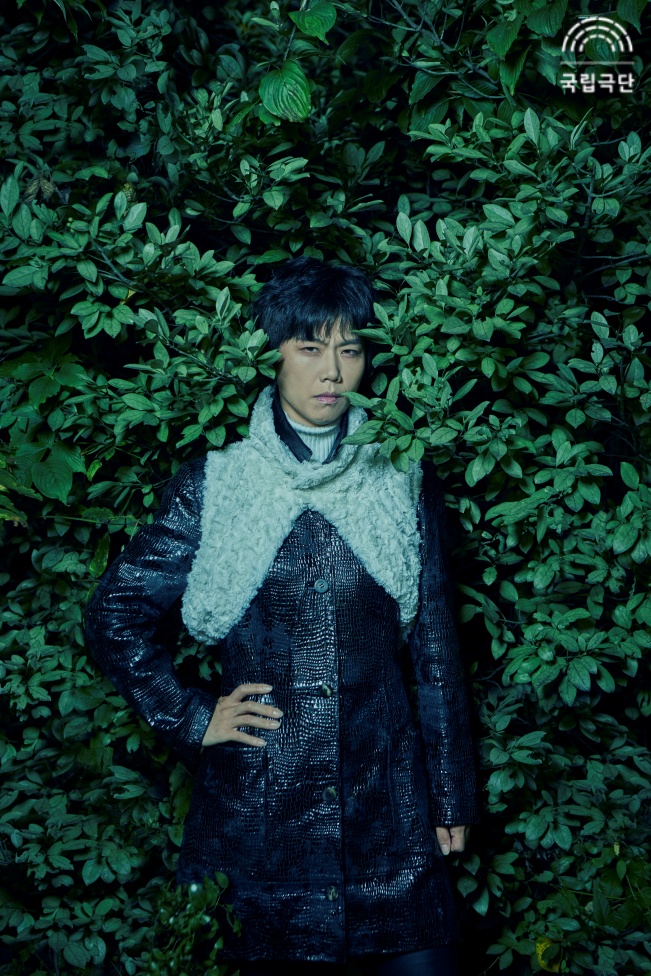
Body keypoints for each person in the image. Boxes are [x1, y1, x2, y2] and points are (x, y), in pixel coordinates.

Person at [84, 256, 479, 976]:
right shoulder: (221, 482)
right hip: (260, 817)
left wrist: (451, 794)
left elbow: (433, 648)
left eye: (350, 349)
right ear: (273, 354)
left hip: (389, 813)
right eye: (310, 348)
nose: (332, 371)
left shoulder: (400, 475)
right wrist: (191, 715)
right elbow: (115, 612)